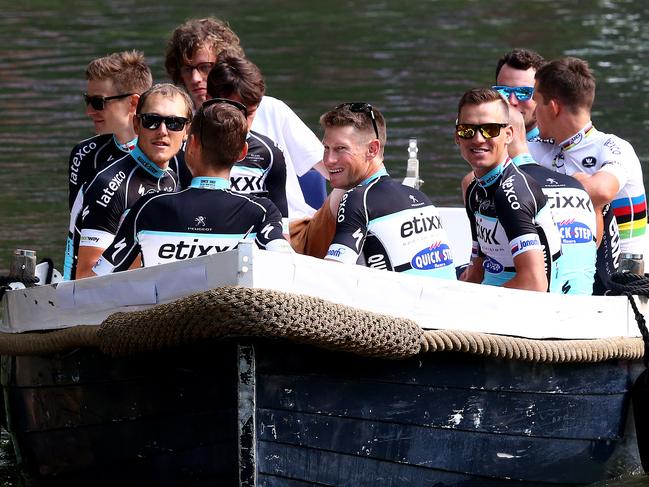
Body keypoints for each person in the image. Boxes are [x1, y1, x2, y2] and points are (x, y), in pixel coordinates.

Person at [92, 99, 291, 275]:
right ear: (242, 152)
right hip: (230, 314)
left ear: (192, 144)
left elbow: (101, 275)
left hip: (161, 315)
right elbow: (289, 265)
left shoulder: (148, 207)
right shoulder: (262, 211)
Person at [165, 18, 327, 220]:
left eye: (205, 67)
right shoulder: (177, 126)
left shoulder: (271, 109)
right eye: (188, 69)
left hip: (292, 228)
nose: (196, 78)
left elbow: (334, 169)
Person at [322, 103, 456, 279]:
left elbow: (330, 276)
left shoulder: (357, 199)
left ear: (372, 149)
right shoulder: (420, 197)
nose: (329, 160)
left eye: (341, 149)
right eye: (326, 148)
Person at [73, 84, 191, 279]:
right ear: (136, 124)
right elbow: (85, 277)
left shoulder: (171, 177)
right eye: (152, 121)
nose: (162, 131)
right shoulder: (110, 183)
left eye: (174, 123)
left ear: (187, 130)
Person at [530, 57, 645, 257]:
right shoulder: (536, 148)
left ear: (553, 108)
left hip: (622, 279)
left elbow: (601, 190)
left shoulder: (613, 147)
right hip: (562, 267)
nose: (533, 113)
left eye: (537, 103)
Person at [458, 88, 562, 292]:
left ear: (508, 135)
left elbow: (534, 284)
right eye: (467, 130)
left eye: (490, 129)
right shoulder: (474, 190)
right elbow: (477, 269)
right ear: (457, 137)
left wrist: (473, 305)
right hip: (493, 303)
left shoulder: (510, 193)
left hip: (521, 314)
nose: (478, 139)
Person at [507, 105, 597, 294]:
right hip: (586, 298)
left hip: (539, 304)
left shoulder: (504, 188)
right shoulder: (577, 184)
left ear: (508, 134)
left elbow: (532, 282)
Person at [206, 54, 290, 232]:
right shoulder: (185, 150)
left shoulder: (270, 154)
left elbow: (281, 228)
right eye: (234, 111)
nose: (241, 122)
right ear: (208, 99)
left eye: (250, 113)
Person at [68, 50, 152, 211]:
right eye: (88, 100)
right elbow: (76, 227)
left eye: (98, 102)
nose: (89, 111)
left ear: (133, 103)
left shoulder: (175, 152)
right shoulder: (83, 154)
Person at [493, 48, 546, 140]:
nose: (512, 101)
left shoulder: (559, 149)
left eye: (523, 92)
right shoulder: (478, 141)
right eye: (503, 91)